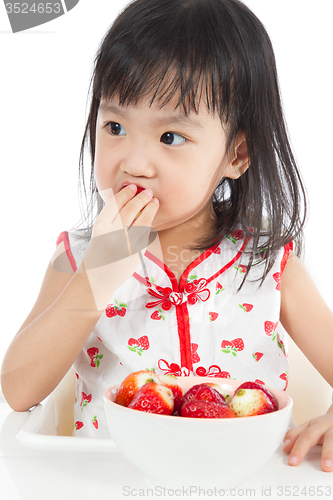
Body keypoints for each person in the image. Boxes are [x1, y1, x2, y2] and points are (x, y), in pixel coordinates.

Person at [1, 0, 333, 472]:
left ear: (237, 155)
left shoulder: (267, 263)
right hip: (107, 483)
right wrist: (95, 278)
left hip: (243, 483)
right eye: (115, 127)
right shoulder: (77, 258)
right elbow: (18, 390)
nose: (133, 162)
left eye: (171, 137)